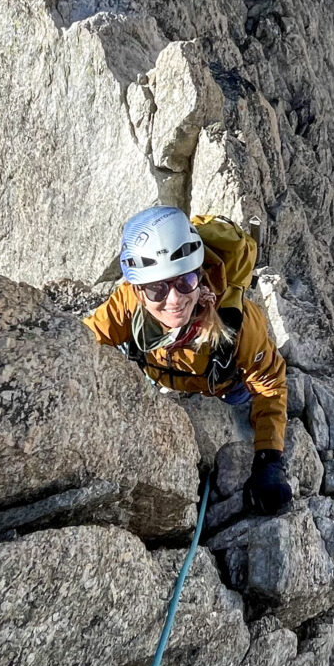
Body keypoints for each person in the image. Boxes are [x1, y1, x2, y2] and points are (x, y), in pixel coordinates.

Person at [84, 206, 294, 515]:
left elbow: (269, 387)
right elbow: (84, 341)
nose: (174, 300)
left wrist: (269, 460)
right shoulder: (127, 304)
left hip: (224, 383)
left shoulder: (238, 325)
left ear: (199, 275)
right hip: (161, 375)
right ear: (138, 290)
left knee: (241, 397)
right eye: (157, 288)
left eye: (185, 281)